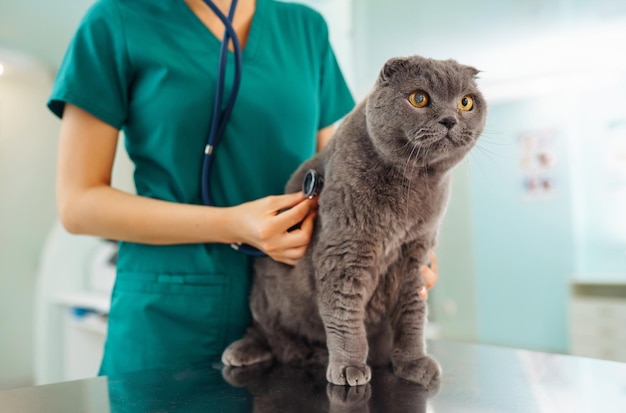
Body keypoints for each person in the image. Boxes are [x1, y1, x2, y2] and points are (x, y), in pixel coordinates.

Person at [48, 0, 438, 376]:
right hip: (171, 316)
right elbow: (78, 205)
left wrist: (400, 252)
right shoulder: (116, 20)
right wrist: (233, 224)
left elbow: (337, 180)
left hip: (296, 315)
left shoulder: (305, 29)